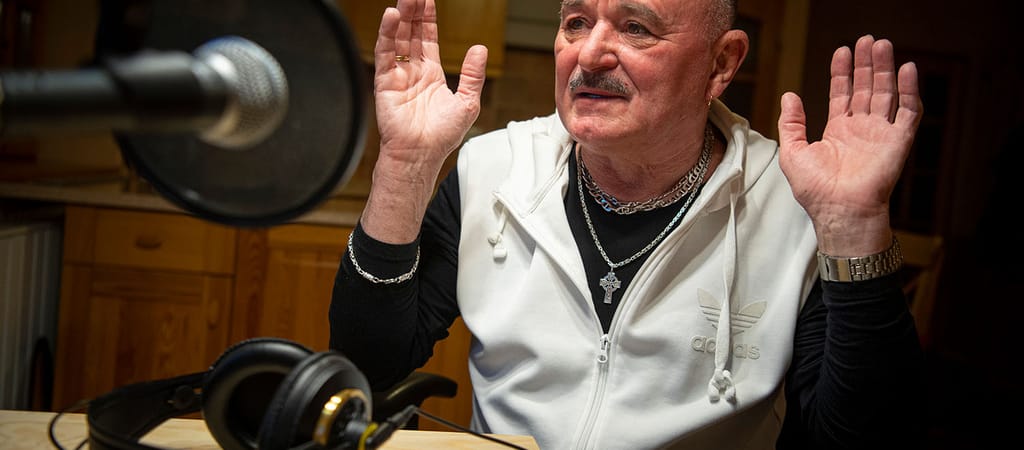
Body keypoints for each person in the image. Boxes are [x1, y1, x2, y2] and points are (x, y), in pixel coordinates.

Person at [330, 0, 926, 448]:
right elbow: (370, 362)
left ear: (721, 63)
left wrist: (853, 226)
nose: (589, 55)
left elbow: (861, 436)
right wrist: (406, 165)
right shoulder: (492, 169)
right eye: (576, 23)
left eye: (636, 28)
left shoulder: (794, 207)